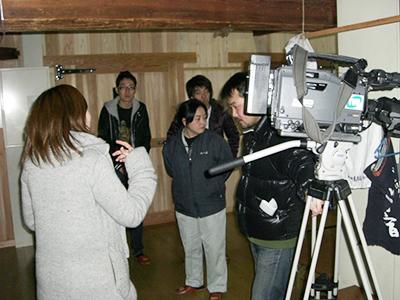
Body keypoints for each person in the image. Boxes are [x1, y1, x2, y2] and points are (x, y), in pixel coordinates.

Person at [20, 84, 157, 300]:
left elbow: (32, 221)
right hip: (98, 284)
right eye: (85, 108)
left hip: (52, 283)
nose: (89, 113)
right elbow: (131, 214)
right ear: (77, 115)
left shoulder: (32, 163)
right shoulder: (91, 159)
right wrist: (140, 165)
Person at [220, 72, 324, 300]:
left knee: (264, 296)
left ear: (257, 98)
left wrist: (310, 189)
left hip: (278, 235)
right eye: (232, 107)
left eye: (237, 106)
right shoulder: (253, 134)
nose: (234, 114)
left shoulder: (280, 133)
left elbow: (300, 161)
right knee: (276, 291)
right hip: (259, 230)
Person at [162, 99, 233, 300]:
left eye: (205, 118)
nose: (203, 122)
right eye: (198, 119)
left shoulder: (215, 141)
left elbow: (227, 166)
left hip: (212, 204)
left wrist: (214, 185)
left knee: (214, 248)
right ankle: (193, 281)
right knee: (191, 246)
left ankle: (217, 286)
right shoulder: (172, 145)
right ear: (185, 121)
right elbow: (170, 168)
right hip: (184, 206)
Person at [98, 71, 152, 265]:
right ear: (117, 89)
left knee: (136, 205)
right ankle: (118, 249)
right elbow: (103, 139)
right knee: (115, 207)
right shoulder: (107, 109)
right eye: (123, 87)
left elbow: (145, 139)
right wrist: (119, 163)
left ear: (135, 90)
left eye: (131, 87)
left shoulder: (141, 109)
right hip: (115, 166)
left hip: (134, 165)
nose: (127, 91)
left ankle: (138, 250)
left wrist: (134, 163)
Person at [167, 74, 239, 157]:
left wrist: (229, 159)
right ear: (191, 97)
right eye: (198, 93)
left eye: (206, 91)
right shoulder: (185, 112)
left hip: (215, 157)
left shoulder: (220, 111)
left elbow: (234, 136)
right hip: (191, 157)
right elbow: (171, 137)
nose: (203, 96)